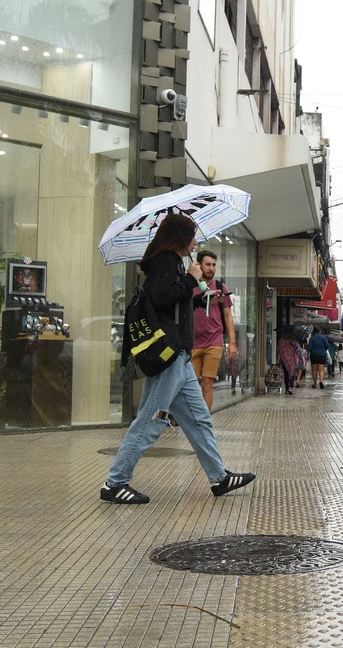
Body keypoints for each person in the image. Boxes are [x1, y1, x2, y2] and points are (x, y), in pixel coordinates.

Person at [101, 214, 255, 505]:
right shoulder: (165, 261)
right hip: (170, 356)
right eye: (192, 235)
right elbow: (161, 297)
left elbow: (172, 300)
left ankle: (219, 476)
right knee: (151, 419)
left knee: (199, 420)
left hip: (180, 358)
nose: (196, 241)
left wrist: (197, 296)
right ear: (178, 236)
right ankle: (115, 482)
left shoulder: (172, 262)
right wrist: (190, 279)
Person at [190, 250, 236, 410]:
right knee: (191, 384)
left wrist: (232, 343)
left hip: (214, 341)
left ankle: (204, 421)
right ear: (199, 265)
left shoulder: (219, 287)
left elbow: (228, 315)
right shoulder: (189, 286)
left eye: (214, 265)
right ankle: (194, 415)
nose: (211, 268)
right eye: (208, 264)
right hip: (193, 342)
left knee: (207, 382)